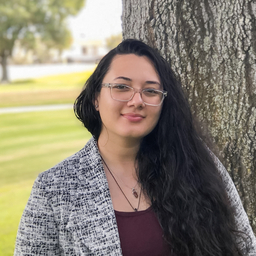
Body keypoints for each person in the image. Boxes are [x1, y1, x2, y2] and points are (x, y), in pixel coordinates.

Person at [15, 39, 256, 256]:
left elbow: (246, 249)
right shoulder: (54, 188)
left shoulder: (198, 164)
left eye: (150, 91)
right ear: (96, 98)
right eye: (121, 87)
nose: (137, 101)